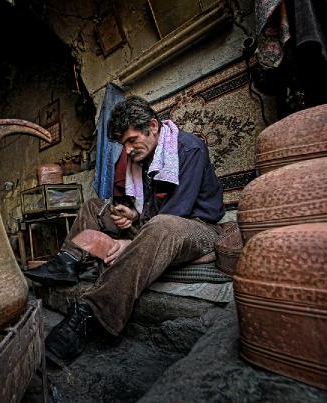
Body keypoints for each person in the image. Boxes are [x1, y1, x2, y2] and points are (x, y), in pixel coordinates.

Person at [24, 96, 225, 365]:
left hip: (199, 228)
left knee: (160, 227)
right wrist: (131, 216)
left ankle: (89, 314)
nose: (127, 150)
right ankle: (67, 262)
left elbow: (176, 213)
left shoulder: (189, 149)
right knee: (94, 206)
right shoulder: (143, 159)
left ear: (152, 126)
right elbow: (151, 211)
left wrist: (130, 243)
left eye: (131, 141)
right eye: (123, 144)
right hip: (159, 223)